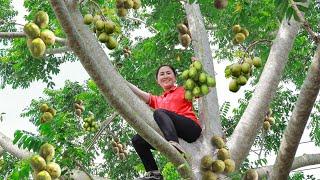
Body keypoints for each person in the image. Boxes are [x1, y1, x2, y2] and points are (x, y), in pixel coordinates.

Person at [128, 65, 202, 180]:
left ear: (175, 77)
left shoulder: (183, 89)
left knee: (159, 112)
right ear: (157, 81)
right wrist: (119, 78)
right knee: (137, 140)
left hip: (190, 129)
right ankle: (154, 174)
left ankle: (175, 145)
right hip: (169, 134)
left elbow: (200, 90)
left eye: (168, 73)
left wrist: (197, 67)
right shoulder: (158, 99)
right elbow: (138, 92)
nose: (165, 76)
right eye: (161, 74)